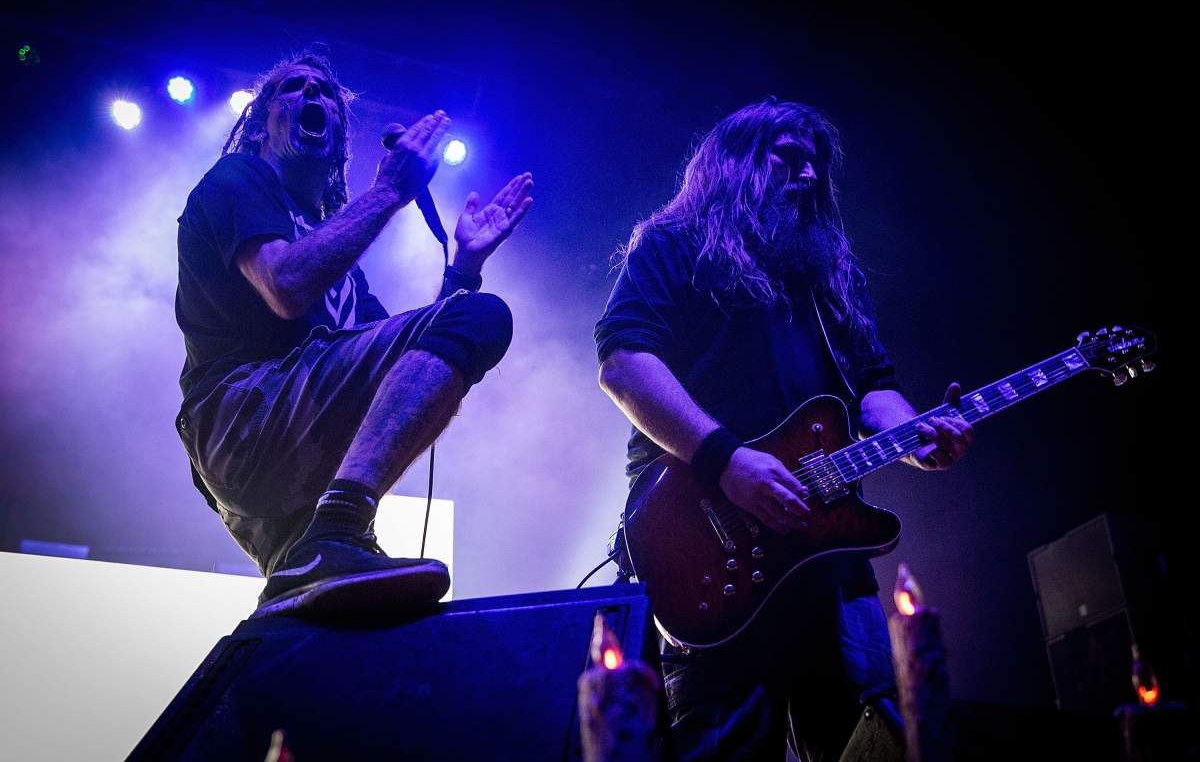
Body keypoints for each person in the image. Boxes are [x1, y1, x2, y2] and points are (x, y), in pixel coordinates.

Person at [594, 98, 973, 760]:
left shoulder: (827, 279)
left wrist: (918, 435)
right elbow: (625, 364)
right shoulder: (672, 245)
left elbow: (873, 389)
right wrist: (727, 461)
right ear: (734, 162)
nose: (806, 176)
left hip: (827, 556)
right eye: (788, 158)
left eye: (815, 164)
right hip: (705, 539)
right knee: (727, 739)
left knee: (872, 735)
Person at [174, 51, 533, 617]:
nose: (313, 95)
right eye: (294, 88)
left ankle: (320, 554)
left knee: (344, 623)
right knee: (483, 316)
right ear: (264, 119)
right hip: (241, 418)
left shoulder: (339, 262)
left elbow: (408, 370)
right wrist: (390, 192)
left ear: (341, 135)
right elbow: (285, 285)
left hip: (287, 462)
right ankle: (341, 521)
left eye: (326, 93)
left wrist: (463, 268)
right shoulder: (237, 179)